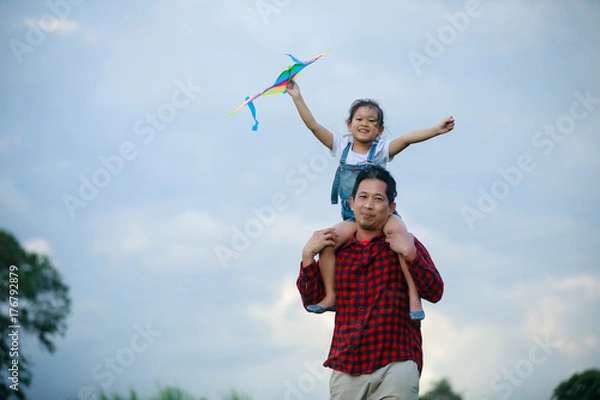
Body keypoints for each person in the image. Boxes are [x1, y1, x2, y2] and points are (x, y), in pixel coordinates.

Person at [287, 80, 453, 319]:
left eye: (372, 121)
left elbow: (407, 139)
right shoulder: (341, 146)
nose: (365, 124)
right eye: (359, 119)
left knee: (401, 237)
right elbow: (313, 126)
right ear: (349, 124)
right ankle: (331, 295)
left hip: (383, 217)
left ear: (380, 130)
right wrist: (297, 97)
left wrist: (435, 130)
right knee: (328, 242)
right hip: (352, 216)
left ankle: (414, 296)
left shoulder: (381, 149)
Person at [296, 165, 444, 400]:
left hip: (397, 361)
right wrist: (307, 257)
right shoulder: (336, 252)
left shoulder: (403, 243)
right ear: (352, 202)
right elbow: (313, 301)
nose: (368, 205)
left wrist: (412, 255)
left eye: (378, 199)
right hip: (347, 365)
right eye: (363, 197)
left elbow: (435, 291)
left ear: (391, 208)